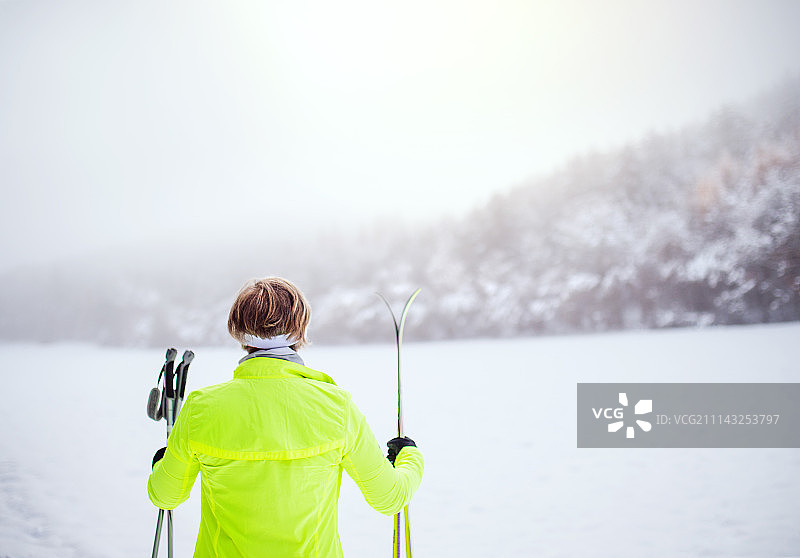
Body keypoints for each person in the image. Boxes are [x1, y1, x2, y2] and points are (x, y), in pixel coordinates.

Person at [147, 277, 424, 558]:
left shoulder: (200, 408)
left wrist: (162, 464)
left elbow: (165, 496)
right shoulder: (336, 407)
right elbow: (390, 498)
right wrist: (409, 456)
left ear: (238, 332)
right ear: (300, 329)